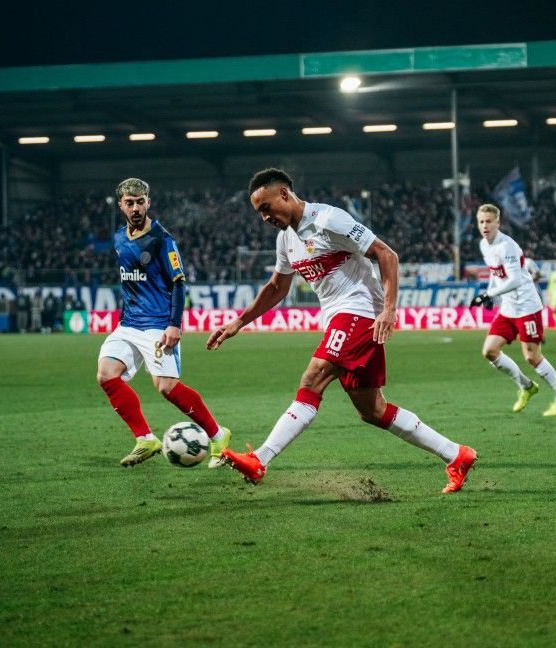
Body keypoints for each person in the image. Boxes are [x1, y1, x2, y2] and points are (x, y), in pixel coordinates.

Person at [206, 168, 477, 494]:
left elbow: (386, 254)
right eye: (259, 212)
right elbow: (277, 287)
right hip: (341, 318)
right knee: (372, 411)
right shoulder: (286, 240)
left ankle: (260, 460)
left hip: (359, 313)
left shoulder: (329, 220)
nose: (264, 217)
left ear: (284, 194)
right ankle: (456, 454)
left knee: (312, 379)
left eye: (266, 207)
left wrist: (389, 309)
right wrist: (237, 323)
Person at [96, 178, 230, 467]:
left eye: (140, 202)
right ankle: (145, 439)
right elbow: (130, 282)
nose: (135, 208)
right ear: (120, 205)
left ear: (148, 202)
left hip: (158, 324)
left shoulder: (162, 238)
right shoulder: (119, 237)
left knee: (167, 387)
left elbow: (178, 283)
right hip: (129, 324)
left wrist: (174, 324)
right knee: (106, 374)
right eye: (129, 203)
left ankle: (218, 435)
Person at [470, 204, 556, 416]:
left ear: (498, 223)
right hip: (508, 307)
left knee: (532, 357)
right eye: (481, 222)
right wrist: (491, 294)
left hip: (526, 306)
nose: (485, 225)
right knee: (490, 351)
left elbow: (515, 280)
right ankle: (526, 386)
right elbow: (495, 273)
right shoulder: (484, 245)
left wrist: (488, 295)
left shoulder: (507, 246)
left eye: (489, 221)